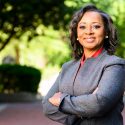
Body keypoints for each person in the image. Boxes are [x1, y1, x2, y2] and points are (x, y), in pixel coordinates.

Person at [42, 4, 125, 125]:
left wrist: (62, 100)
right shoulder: (67, 67)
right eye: (82, 27)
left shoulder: (115, 65)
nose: (89, 32)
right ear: (76, 34)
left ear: (106, 32)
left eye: (96, 26)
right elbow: (48, 107)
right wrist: (86, 106)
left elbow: (99, 103)